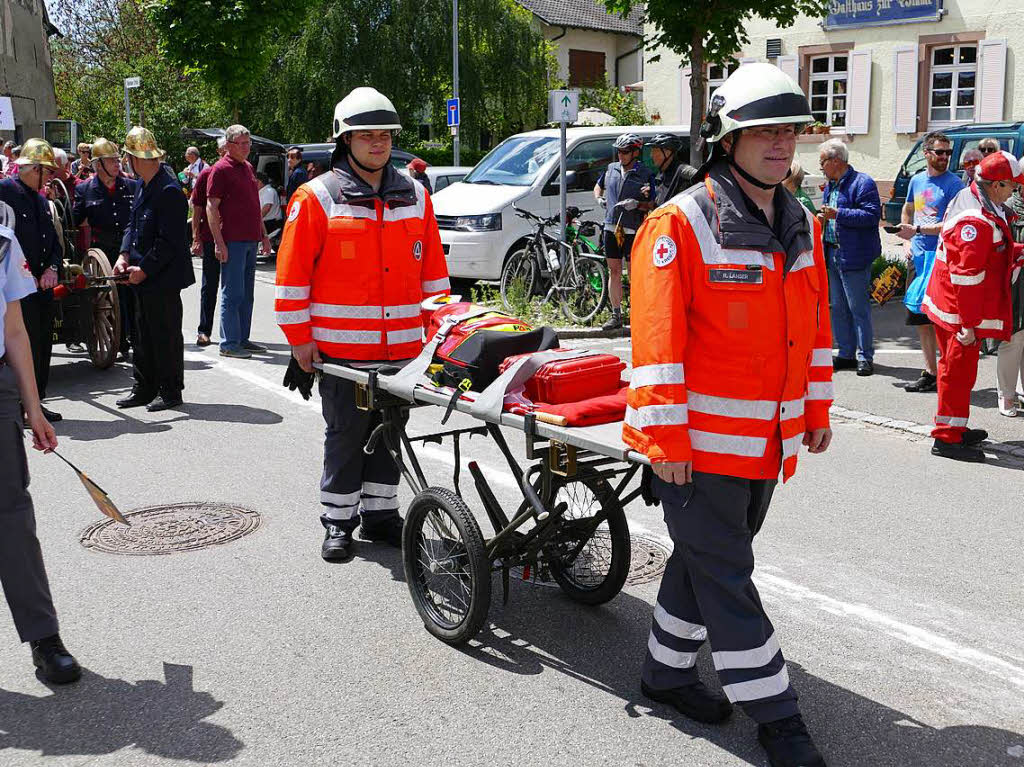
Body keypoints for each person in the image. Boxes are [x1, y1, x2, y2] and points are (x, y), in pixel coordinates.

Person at [625, 63, 832, 767]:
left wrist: (816, 406)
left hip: (765, 443)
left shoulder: (799, 221)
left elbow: (815, 323)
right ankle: (779, 717)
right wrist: (665, 440)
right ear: (727, 136)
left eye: (791, 130)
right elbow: (656, 347)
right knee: (730, 575)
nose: (782, 142)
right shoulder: (678, 223)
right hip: (698, 450)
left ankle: (664, 672)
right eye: (764, 129)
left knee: (704, 562)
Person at [275, 86, 449, 561]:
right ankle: (337, 520)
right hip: (340, 352)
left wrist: (437, 337)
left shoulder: (415, 194)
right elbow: (291, 281)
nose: (378, 143)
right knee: (347, 436)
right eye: (366, 135)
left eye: (385, 135)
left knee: (390, 434)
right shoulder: (316, 198)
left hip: (402, 352)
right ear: (344, 140)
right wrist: (299, 343)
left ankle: (380, 514)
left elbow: (433, 274)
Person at [0, 201, 80, 684]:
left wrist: (33, 408)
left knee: (11, 519)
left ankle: (44, 637)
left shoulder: (3, 242)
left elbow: (14, 330)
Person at [923, 151, 1023, 461]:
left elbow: (988, 252)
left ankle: (956, 427)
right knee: (956, 371)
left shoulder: (978, 200)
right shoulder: (975, 219)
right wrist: (967, 323)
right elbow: (966, 276)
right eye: (1012, 187)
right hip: (957, 310)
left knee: (960, 372)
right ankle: (946, 438)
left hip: (952, 306)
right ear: (996, 185)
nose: (1014, 192)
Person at [113, 127, 195, 412]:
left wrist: (144, 269)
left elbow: (169, 242)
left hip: (162, 277)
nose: (127, 163)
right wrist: (124, 254)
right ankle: (144, 386)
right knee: (141, 334)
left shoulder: (169, 190)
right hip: (141, 274)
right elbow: (132, 226)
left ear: (138, 159)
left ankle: (170, 390)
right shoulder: (144, 186)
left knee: (165, 334)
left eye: (129, 157)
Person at [0, 139, 62, 422]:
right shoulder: (4, 193)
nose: (49, 177)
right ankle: (20, 404)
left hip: (41, 288)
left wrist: (52, 268)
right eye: (46, 171)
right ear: (33, 168)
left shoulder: (40, 200)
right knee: (20, 345)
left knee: (41, 346)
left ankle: (36, 402)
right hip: (16, 289)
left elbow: (53, 243)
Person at [898, 132, 963, 393]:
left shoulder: (954, 185)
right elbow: (908, 209)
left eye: (948, 152)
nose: (945, 157)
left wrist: (918, 231)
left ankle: (947, 372)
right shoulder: (917, 180)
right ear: (926, 153)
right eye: (940, 152)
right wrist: (906, 243)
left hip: (940, 258)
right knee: (919, 318)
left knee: (939, 318)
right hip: (919, 255)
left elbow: (953, 223)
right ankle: (930, 372)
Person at [206, 124, 271, 359]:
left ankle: (242, 338)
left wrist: (263, 235)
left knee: (246, 293)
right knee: (232, 293)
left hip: (250, 239)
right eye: (242, 144)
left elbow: (255, 206)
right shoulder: (220, 169)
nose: (247, 148)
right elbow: (211, 207)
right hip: (232, 240)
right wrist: (219, 242)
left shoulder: (248, 167)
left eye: (248, 143)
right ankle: (229, 343)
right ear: (229, 145)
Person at [819, 138, 881, 376]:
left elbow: (871, 216)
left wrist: (838, 214)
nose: (821, 167)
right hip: (833, 251)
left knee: (858, 308)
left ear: (836, 161)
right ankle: (846, 353)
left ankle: (864, 356)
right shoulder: (832, 184)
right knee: (838, 307)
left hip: (854, 254)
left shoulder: (862, 183)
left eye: (823, 162)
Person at [73, 138, 138, 359]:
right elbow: (75, 221)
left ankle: (137, 339)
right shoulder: (84, 190)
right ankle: (118, 342)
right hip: (103, 251)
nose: (117, 164)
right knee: (110, 299)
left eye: (117, 160)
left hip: (131, 248)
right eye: (111, 161)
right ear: (98, 165)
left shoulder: (131, 186)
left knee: (134, 297)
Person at [594, 133, 655, 331]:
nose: (621, 155)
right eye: (619, 151)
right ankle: (616, 313)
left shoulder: (645, 173)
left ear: (636, 152)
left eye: (625, 152)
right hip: (611, 225)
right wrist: (599, 198)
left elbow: (653, 202)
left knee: (633, 272)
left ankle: (637, 313)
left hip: (632, 227)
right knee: (614, 269)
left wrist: (638, 204)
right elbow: (598, 185)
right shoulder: (611, 168)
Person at [190, 138, 227, 347]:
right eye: (223, 150)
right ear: (219, 151)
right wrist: (196, 237)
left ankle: (232, 333)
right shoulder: (207, 174)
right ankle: (204, 330)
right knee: (210, 285)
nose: (225, 155)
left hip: (234, 239)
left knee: (233, 289)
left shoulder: (240, 171)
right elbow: (196, 209)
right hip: (210, 238)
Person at [647, 133, 698, 207]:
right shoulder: (662, 173)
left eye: (655, 151)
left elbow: (705, 179)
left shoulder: (683, 170)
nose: (651, 155)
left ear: (667, 153)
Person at [256, 172, 282, 255]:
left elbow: (267, 207)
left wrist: (255, 219)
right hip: (265, 222)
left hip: (271, 223)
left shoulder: (268, 191)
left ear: (259, 182)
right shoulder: (262, 191)